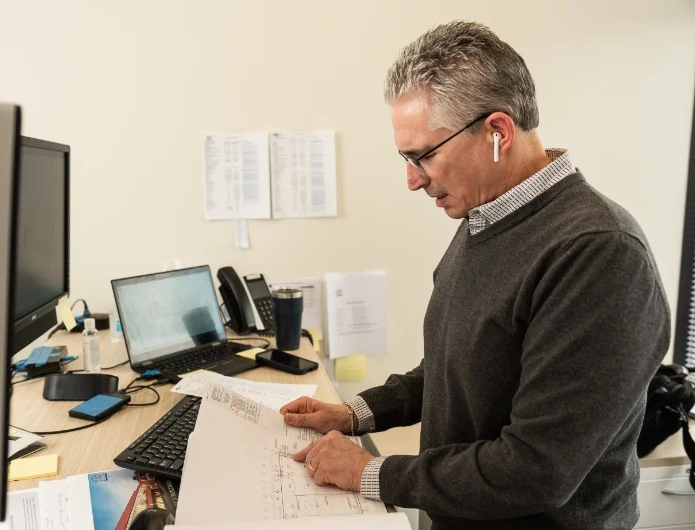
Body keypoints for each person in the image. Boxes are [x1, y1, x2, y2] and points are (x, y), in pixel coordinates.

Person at [280, 20, 670, 529]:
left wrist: (370, 472)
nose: (412, 180)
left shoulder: (599, 253)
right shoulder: (487, 215)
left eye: (424, 156)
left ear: (498, 133)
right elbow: (459, 366)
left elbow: (536, 469)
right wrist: (357, 413)